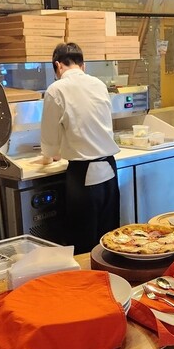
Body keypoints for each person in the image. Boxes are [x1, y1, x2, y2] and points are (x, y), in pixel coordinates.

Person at [40, 42, 120, 254]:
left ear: (58, 66)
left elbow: (49, 141)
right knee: (110, 241)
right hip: (110, 170)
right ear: (83, 65)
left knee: (84, 243)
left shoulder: (56, 89)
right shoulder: (99, 84)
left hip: (83, 174)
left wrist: (50, 154)